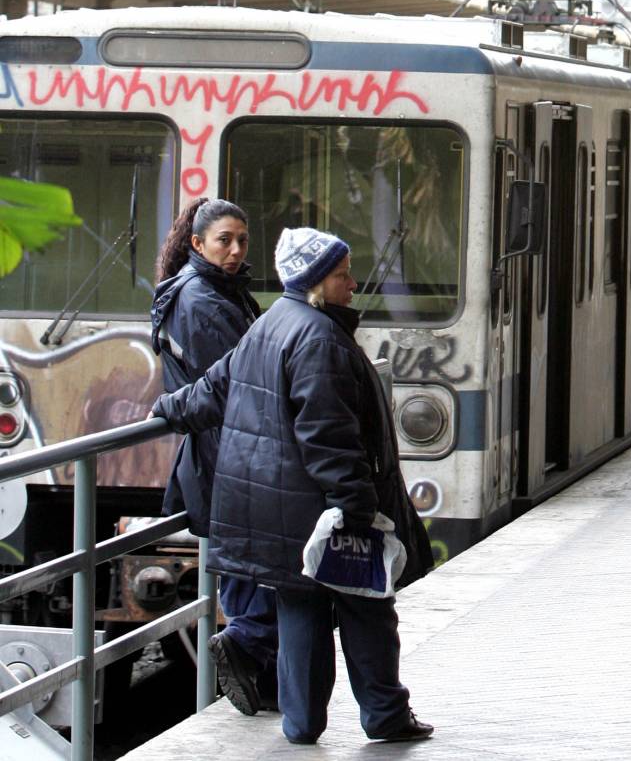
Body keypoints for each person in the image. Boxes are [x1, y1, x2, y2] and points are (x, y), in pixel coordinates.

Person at [152, 227, 435, 745]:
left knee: (301, 609)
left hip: (277, 514)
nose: (352, 284)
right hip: (325, 509)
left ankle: (301, 724)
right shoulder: (320, 339)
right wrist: (356, 504)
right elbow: (327, 435)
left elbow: (214, 388)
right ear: (315, 281)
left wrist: (166, 409)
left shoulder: (271, 324)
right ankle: (386, 715)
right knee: (369, 612)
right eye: (342, 274)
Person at [149, 197, 278, 716]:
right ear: (198, 244)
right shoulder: (202, 300)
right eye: (224, 240)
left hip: (231, 450)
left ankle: (256, 668)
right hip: (232, 453)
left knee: (254, 563)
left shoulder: (219, 291)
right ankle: (244, 646)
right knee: (256, 563)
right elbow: (235, 381)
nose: (235, 249)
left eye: (242, 240)